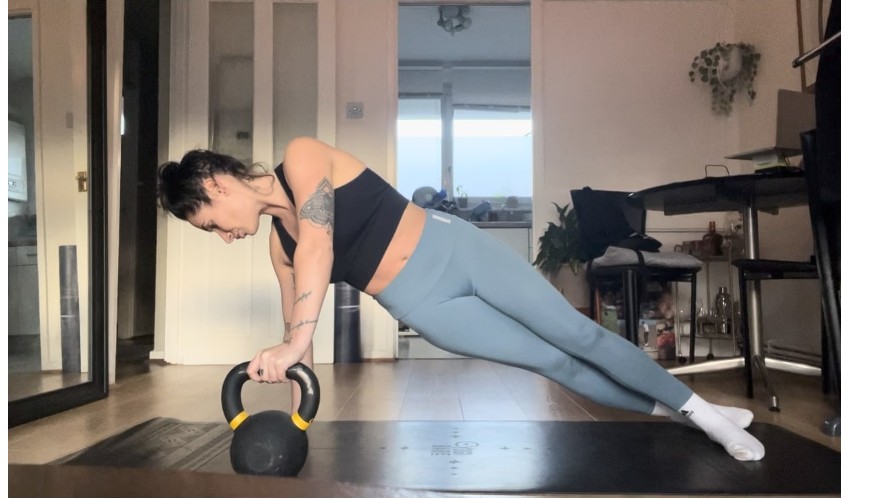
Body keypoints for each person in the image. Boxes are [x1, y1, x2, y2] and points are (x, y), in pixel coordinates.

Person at [157, 137, 765, 461]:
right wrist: (298, 417)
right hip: (426, 308)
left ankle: (706, 415)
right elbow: (301, 341)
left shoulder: (302, 157)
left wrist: (293, 340)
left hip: (457, 250)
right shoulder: (278, 249)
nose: (223, 236)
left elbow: (321, 240)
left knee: (576, 334)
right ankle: (686, 413)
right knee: (553, 363)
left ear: (214, 184)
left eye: (210, 224)